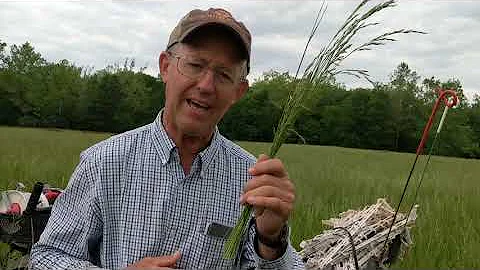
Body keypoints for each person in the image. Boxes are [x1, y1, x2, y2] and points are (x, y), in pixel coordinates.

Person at [30, 7, 304, 270]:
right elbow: (46, 258)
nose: (206, 86)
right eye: (195, 65)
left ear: (238, 92)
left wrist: (271, 239)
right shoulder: (103, 163)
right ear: (165, 67)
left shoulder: (252, 181)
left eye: (223, 75)